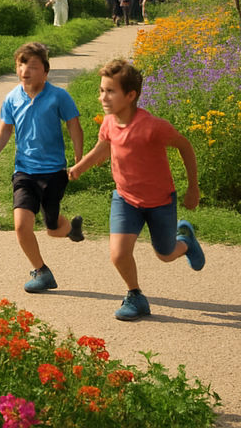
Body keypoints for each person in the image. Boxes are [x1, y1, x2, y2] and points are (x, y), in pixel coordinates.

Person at [68, 58, 204, 321]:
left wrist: (193, 188)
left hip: (160, 201)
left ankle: (186, 243)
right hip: (125, 199)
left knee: (165, 254)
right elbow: (102, 148)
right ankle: (135, 296)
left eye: (110, 91)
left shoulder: (153, 127)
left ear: (130, 95)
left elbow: (185, 146)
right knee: (119, 254)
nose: (103, 97)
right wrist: (79, 168)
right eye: (101, 90)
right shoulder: (109, 122)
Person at [0, 42, 85, 293]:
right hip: (24, 171)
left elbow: (74, 125)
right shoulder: (12, 98)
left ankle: (71, 229)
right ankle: (42, 271)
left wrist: (79, 159)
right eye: (21, 64)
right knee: (21, 225)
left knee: (53, 229)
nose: (25, 70)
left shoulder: (59, 96)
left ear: (45, 72)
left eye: (33, 66)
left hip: (54, 172)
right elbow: (4, 131)